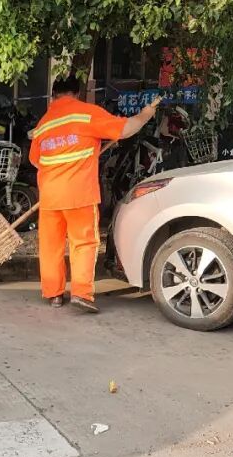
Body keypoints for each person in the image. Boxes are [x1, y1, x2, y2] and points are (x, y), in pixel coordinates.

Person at [28, 76, 161, 313]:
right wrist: (146, 114)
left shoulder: (44, 124)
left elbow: (35, 161)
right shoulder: (86, 114)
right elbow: (125, 129)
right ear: (77, 93)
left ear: (53, 95)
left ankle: (53, 293)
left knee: (50, 246)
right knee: (83, 243)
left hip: (50, 197)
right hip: (79, 194)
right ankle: (81, 293)